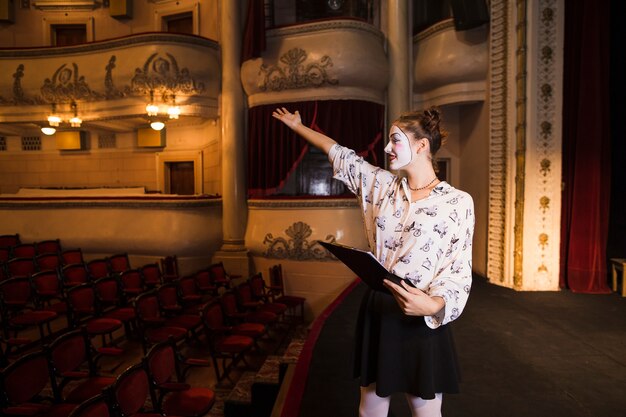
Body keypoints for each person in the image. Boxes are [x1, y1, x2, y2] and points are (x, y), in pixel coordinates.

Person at [272, 106, 474, 417]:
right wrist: (299, 126)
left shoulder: (458, 203)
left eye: (395, 140)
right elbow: (340, 153)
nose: (386, 148)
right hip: (380, 308)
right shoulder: (380, 185)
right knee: (370, 409)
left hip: (422, 315)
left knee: (426, 411)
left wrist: (434, 305)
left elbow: (458, 268)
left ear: (421, 146)